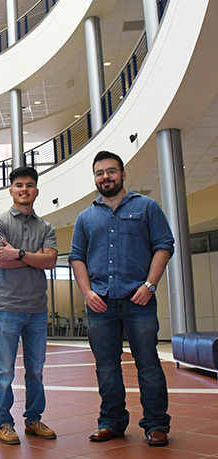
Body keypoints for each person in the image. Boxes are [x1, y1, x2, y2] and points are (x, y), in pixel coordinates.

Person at [69, 151, 174, 447]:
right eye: (100, 172)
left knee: (149, 364)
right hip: (100, 303)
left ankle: (156, 424)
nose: (106, 177)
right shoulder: (85, 217)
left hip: (138, 300)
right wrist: (87, 292)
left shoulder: (147, 207)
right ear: (95, 178)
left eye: (111, 171)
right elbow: (76, 257)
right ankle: (111, 422)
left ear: (123, 175)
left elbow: (164, 246)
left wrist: (150, 285)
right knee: (106, 367)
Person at [0, 166, 58, 445]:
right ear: (11, 191)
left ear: (36, 191)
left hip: (38, 309)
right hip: (7, 307)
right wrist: (34, 256)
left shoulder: (46, 227)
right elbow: (0, 260)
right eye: (19, 185)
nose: (24, 190)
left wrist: (17, 252)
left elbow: (51, 262)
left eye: (30, 185)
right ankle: (4, 422)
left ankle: (33, 420)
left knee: (36, 369)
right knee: (4, 370)